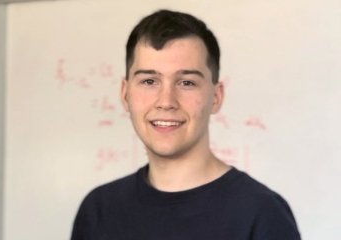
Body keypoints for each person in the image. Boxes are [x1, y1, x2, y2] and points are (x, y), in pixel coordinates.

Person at [71, 9, 301, 240]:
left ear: (216, 97)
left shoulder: (262, 213)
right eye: (149, 81)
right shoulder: (99, 210)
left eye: (187, 82)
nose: (166, 101)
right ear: (125, 94)